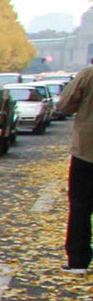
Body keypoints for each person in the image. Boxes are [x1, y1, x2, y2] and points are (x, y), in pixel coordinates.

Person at [53, 62, 93, 270]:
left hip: (87, 150)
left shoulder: (88, 75)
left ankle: (78, 260)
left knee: (80, 206)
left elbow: (65, 105)